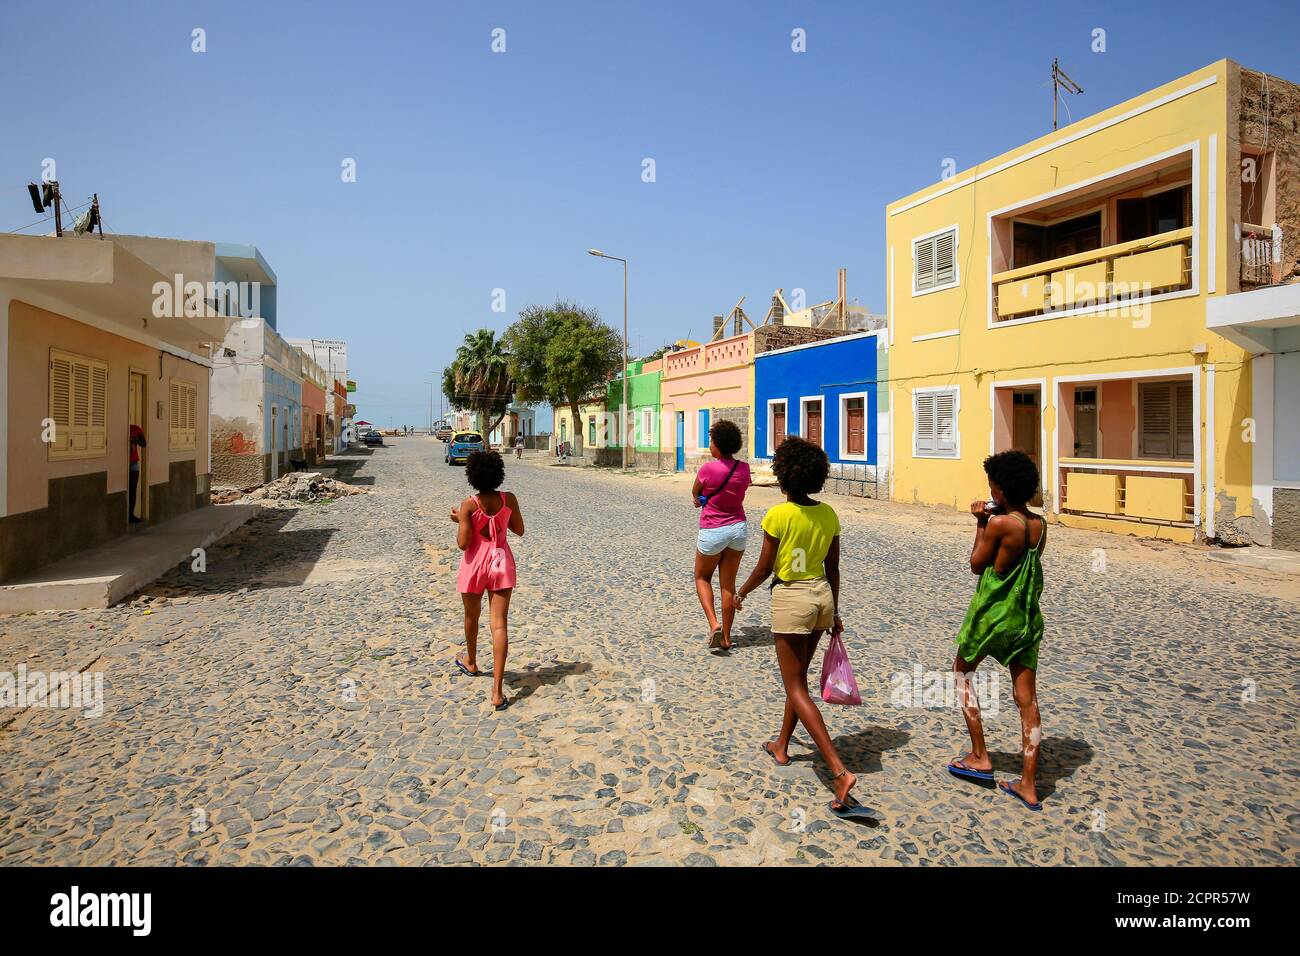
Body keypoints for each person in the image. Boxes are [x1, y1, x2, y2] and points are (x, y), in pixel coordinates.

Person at [736, 436, 866, 818]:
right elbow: (834, 568)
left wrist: (740, 593)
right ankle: (781, 744)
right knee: (799, 682)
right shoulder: (829, 515)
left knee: (795, 685)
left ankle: (839, 772)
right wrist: (835, 611)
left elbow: (765, 567)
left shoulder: (778, 516)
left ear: (783, 475)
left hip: (792, 600)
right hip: (822, 598)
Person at [946, 450, 1047, 812]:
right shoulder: (1038, 525)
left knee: (961, 674)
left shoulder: (999, 524)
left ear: (1000, 490)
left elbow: (977, 564)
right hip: (1024, 618)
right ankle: (1029, 785)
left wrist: (979, 522)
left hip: (991, 615)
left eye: (991, 485)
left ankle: (979, 756)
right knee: (1027, 700)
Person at [449, 450, 524, 710]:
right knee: (499, 625)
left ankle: (470, 661)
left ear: (472, 476)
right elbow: (519, 529)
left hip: (475, 565)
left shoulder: (469, 504)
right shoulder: (509, 499)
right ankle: (497, 692)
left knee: (472, 616)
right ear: (498, 473)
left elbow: (463, 544)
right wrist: (501, 520)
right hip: (501, 561)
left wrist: (461, 519)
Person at [691, 420, 751, 650]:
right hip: (737, 530)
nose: (710, 445)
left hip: (713, 530)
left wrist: (700, 499)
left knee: (701, 577)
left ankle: (714, 624)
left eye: (711, 441)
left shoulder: (708, 469)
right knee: (728, 586)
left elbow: (695, 493)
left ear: (718, 444)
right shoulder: (744, 469)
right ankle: (726, 638)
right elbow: (742, 488)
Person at [128, 423, 146, 523]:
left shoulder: (135, 428)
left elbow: (144, 444)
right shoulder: (119, 428)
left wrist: (136, 440)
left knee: (133, 489)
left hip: (134, 463)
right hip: (123, 463)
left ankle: (131, 515)